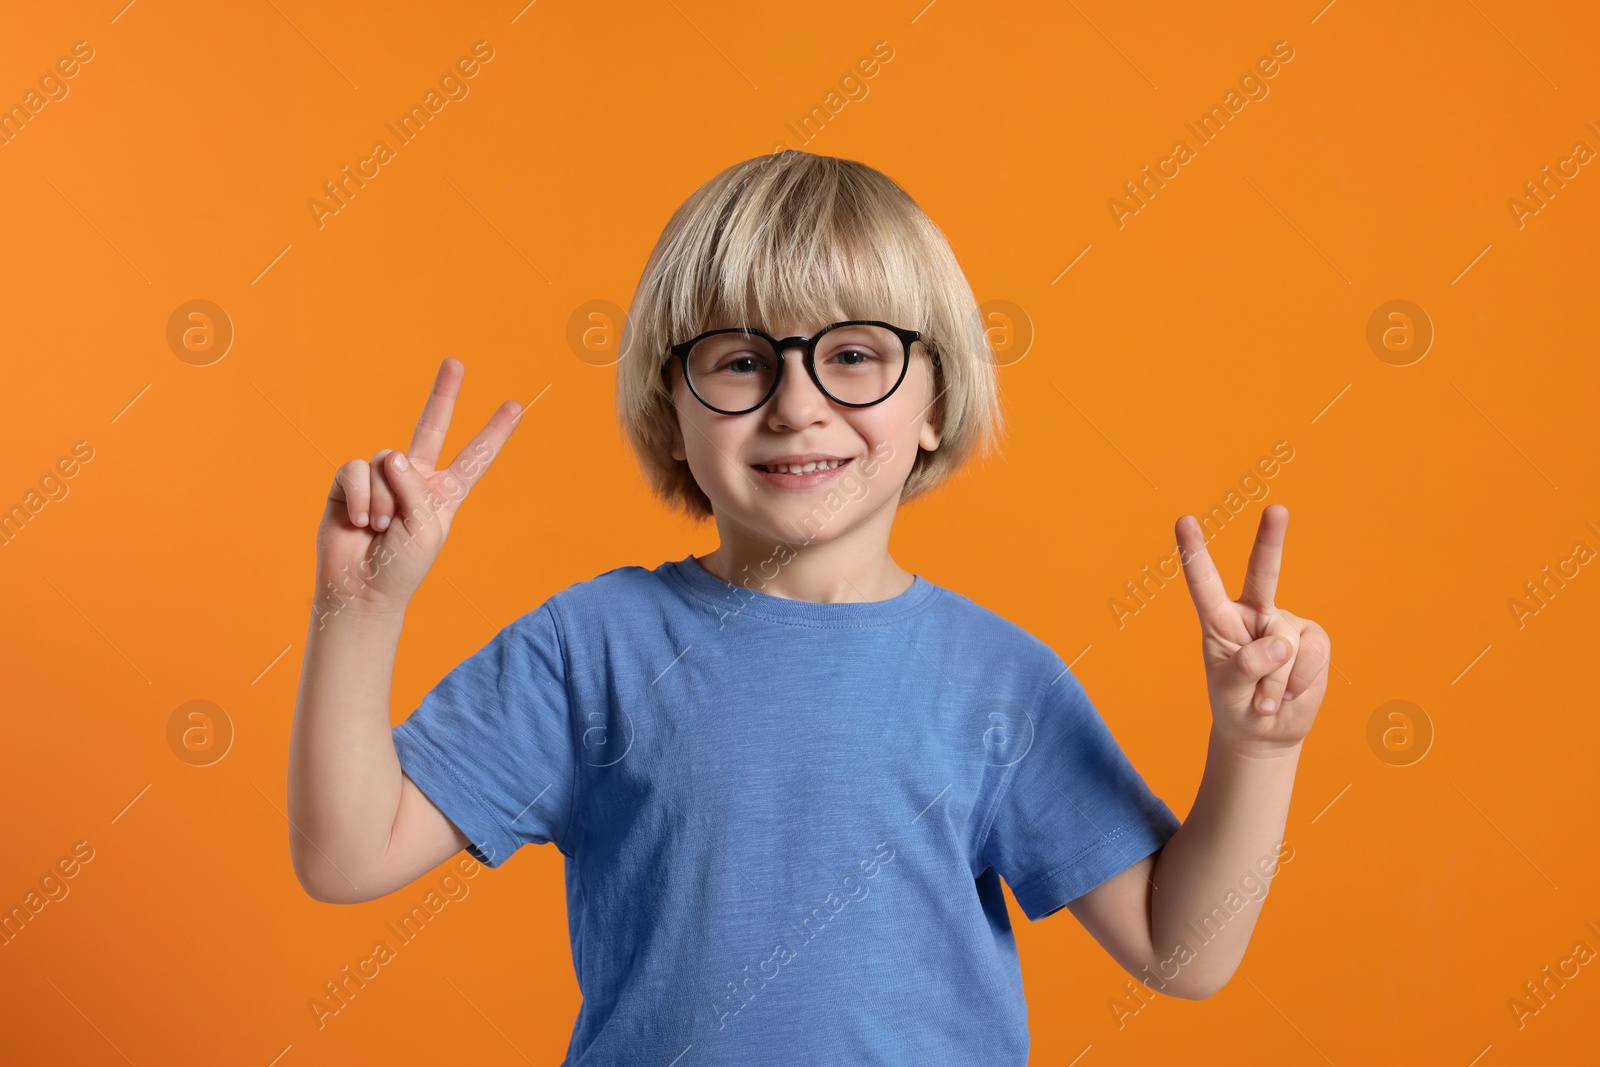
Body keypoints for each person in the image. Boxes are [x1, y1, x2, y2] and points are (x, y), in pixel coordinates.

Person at [287, 150, 1332, 1064]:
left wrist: (1254, 748)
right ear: (671, 413)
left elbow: (1180, 949)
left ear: (935, 403)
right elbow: (347, 852)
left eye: (854, 355)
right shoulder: (590, 646)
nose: (796, 403)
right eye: (741, 360)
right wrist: (360, 605)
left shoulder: (997, 677)